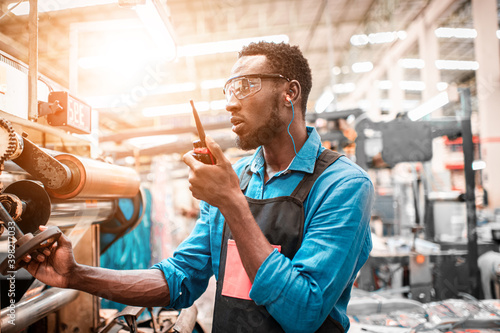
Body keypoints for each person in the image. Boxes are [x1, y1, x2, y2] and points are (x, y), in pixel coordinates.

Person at [24, 42, 374, 333]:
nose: (231, 102)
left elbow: (303, 312)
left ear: (289, 93)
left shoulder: (342, 186)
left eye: (246, 85)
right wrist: (75, 275)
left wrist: (232, 202)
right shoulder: (236, 176)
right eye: (229, 89)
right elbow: (180, 278)